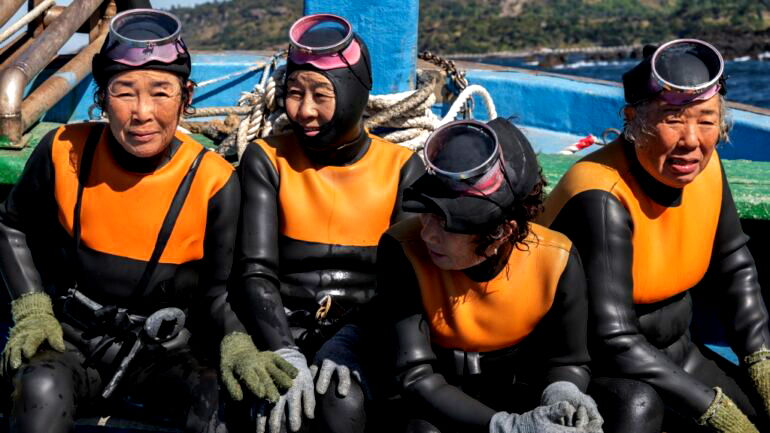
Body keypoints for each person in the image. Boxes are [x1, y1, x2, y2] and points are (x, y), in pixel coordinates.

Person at [0, 9, 294, 433]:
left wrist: (237, 344)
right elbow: (11, 224)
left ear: (185, 97)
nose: (142, 112)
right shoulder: (63, 150)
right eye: (124, 93)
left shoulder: (213, 183)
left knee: (218, 400)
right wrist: (31, 310)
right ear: (101, 98)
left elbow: (219, 292)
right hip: (70, 337)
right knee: (41, 389)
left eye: (161, 92)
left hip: (166, 351)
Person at [539, 39, 770, 433]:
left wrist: (760, 361)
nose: (692, 140)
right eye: (673, 119)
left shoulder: (706, 167)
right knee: (641, 406)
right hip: (593, 366)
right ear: (634, 121)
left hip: (679, 353)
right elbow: (613, 339)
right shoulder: (602, 196)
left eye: (706, 119)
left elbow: (734, 265)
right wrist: (713, 411)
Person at [233, 13, 424, 433]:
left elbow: (403, 287)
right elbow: (255, 271)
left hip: (365, 335)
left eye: (321, 94)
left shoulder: (401, 169)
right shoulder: (268, 160)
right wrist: (282, 350)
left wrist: (354, 340)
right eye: (294, 93)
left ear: (356, 91)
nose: (304, 111)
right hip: (282, 328)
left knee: (343, 400)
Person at [378, 118, 604, 433]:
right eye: (426, 212)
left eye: (446, 224)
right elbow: (416, 377)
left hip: (517, 393)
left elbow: (567, 360)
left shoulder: (557, 258)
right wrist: (507, 427)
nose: (427, 234)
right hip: (437, 406)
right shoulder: (402, 250)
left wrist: (563, 392)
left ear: (502, 231)